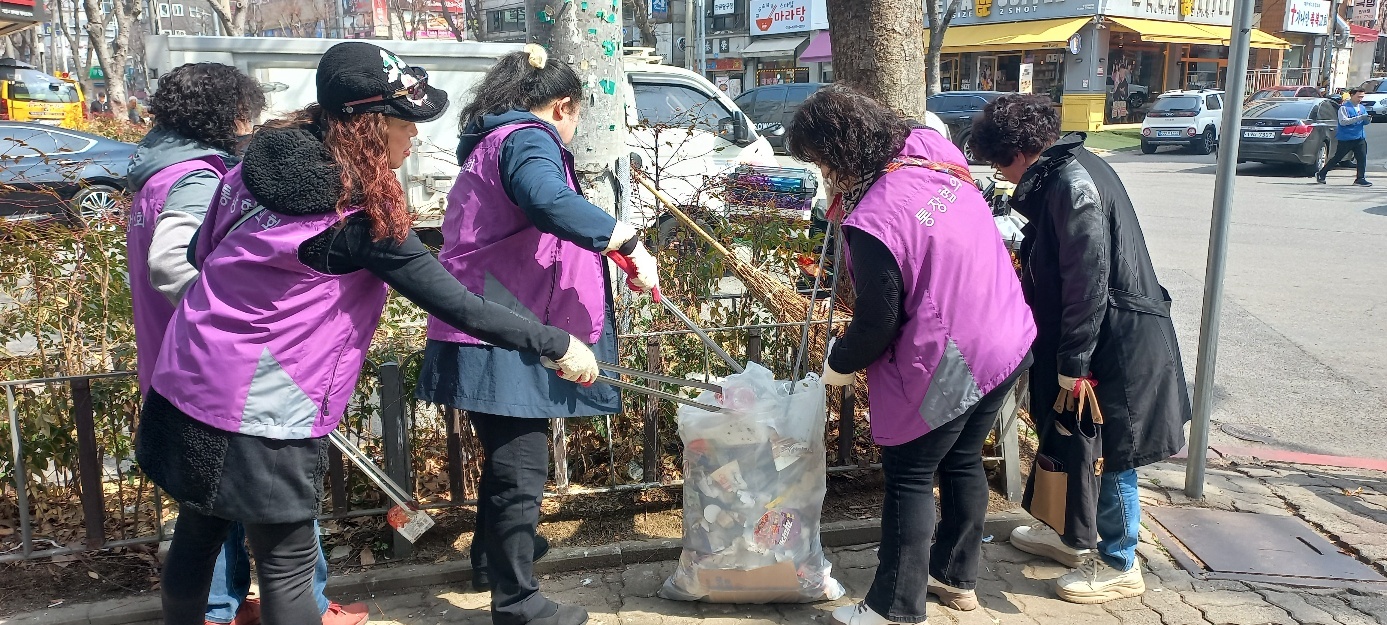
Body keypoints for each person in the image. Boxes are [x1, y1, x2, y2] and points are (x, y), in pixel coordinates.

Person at [133, 41, 602, 625]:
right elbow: (457, 304)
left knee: (198, 529)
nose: (415, 139)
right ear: (372, 126)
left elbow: (200, 254)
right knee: (287, 563)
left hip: (187, 371)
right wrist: (556, 343)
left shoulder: (253, 167)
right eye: (407, 124)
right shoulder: (356, 214)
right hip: (261, 399)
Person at [414, 44, 658, 625]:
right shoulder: (528, 139)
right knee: (521, 469)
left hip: (494, 316)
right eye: (576, 118)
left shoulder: (495, 139)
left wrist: (610, 247)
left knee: (508, 459)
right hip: (502, 321)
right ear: (563, 106)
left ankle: (490, 559)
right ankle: (518, 603)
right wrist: (624, 238)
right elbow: (548, 200)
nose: (573, 131)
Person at [125, 62, 369, 625]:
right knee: (273, 529)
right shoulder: (197, 176)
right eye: (247, 113)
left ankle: (230, 608)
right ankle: (259, 609)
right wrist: (234, 320)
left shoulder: (157, 171)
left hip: (183, 365)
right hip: (232, 372)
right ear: (229, 113)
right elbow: (173, 264)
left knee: (206, 512)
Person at [784, 86, 1036, 625]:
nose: (823, 173)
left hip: (954, 355)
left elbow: (878, 322)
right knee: (963, 459)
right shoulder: (933, 156)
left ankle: (893, 608)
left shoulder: (875, 218)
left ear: (840, 152)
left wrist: (838, 363)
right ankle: (954, 577)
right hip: (1006, 332)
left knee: (910, 475)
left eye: (821, 160)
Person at [969, 94, 1191, 604]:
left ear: (1019, 152)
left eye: (1000, 165)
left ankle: (1119, 561)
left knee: (1108, 449)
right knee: (1071, 436)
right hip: (1096, 332)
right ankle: (1069, 534)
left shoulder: (1071, 183)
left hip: (1111, 340)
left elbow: (1087, 280)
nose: (1002, 177)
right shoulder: (1069, 167)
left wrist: (1074, 360)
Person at [1317, 88, 1372, 187]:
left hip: (1359, 137)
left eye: (1362, 97)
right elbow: (1343, 122)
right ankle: (1322, 173)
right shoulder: (1344, 108)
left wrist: (1367, 120)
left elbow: (1364, 122)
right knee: (1337, 158)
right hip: (1346, 138)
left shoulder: (1362, 108)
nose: (1360, 99)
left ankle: (1360, 178)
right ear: (1352, 95)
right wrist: (1359, 118)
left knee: (1362, 158)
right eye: (1358, 96)